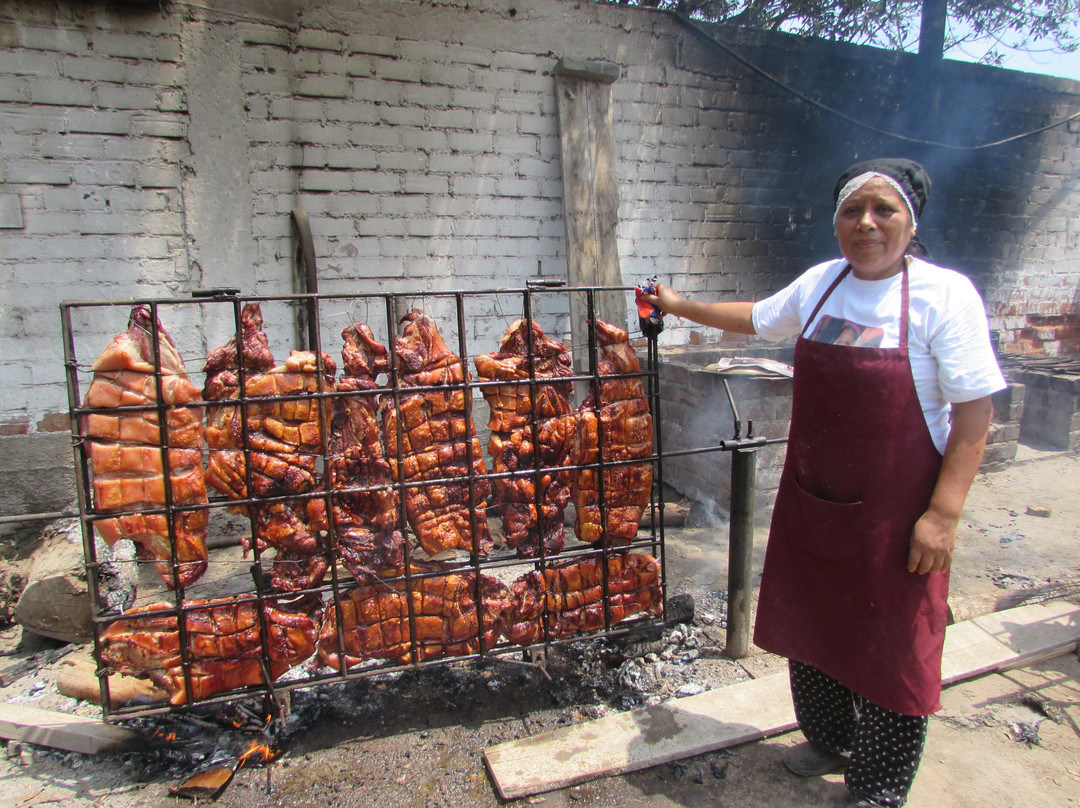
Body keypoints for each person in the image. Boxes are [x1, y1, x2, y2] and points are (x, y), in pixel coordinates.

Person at [638, 158, 1006, 808]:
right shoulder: (823, 284)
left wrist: (944, 514)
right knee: (812, 629)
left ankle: (878, 786)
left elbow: (976, 412)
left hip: (898, 518)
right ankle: (829, 739)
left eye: (882, 209)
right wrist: (677, 304)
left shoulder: (943, 296)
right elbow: (755, 317)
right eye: (850, 210)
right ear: (836, 221)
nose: (865, 223)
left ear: (909, 221)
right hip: (815, 505)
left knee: (894, 648)